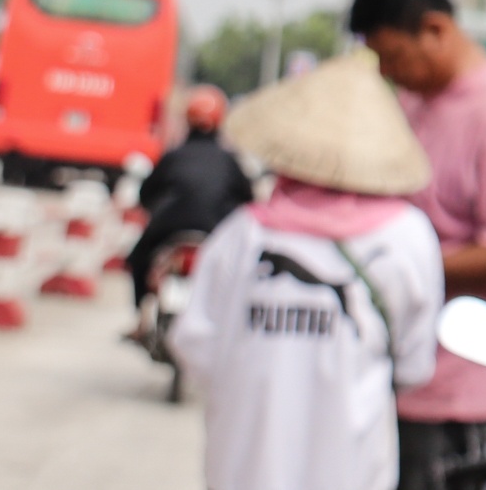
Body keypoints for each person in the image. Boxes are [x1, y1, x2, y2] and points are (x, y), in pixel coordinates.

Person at [169, 50, 443, 490]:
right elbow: (413, 366)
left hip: (244, 470)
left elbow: (195, 345)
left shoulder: (243, 237)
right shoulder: (408, 239)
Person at [350, 0, 486, 490]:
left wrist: (401, 270)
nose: (389, 73)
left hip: (459, 394)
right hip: (399, 375)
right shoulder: (413, 101)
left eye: (393, 57)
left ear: (436, 30)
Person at [126, 84, 251, 325]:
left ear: (188, 119)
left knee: (138, 257)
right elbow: (248, 200)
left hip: (170, 226)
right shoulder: (229, 161)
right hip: (216, 228)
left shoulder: (175, 155)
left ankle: (140, 316)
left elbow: (146, 194)